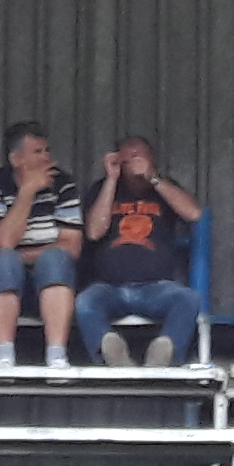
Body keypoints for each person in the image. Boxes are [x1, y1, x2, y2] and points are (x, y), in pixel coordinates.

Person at [76, 135, 205, 368]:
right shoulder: (102, 188)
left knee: (188, 299)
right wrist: (111, 179)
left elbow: (194, 214)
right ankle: (110, 351)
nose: (134, 160)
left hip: (156, 288)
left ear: (152, 159)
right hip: (109, 287)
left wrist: (153, 178)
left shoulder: (165, 186)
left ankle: (165, 352)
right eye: (128, 156)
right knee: (85, 302)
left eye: (139, 155)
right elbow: (94, 232)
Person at [0, 122, 85, 369]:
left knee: (53, 259)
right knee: (5, 261)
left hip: (53, 282)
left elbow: (72, 247)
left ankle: (57, 356)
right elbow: (4, 241)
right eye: (37, 152)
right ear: (16, 159)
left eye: (47, 150)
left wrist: (21, 255)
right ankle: (4, 357)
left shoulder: (63, 184)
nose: (46, 157)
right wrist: (27, 191)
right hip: (6, 282)